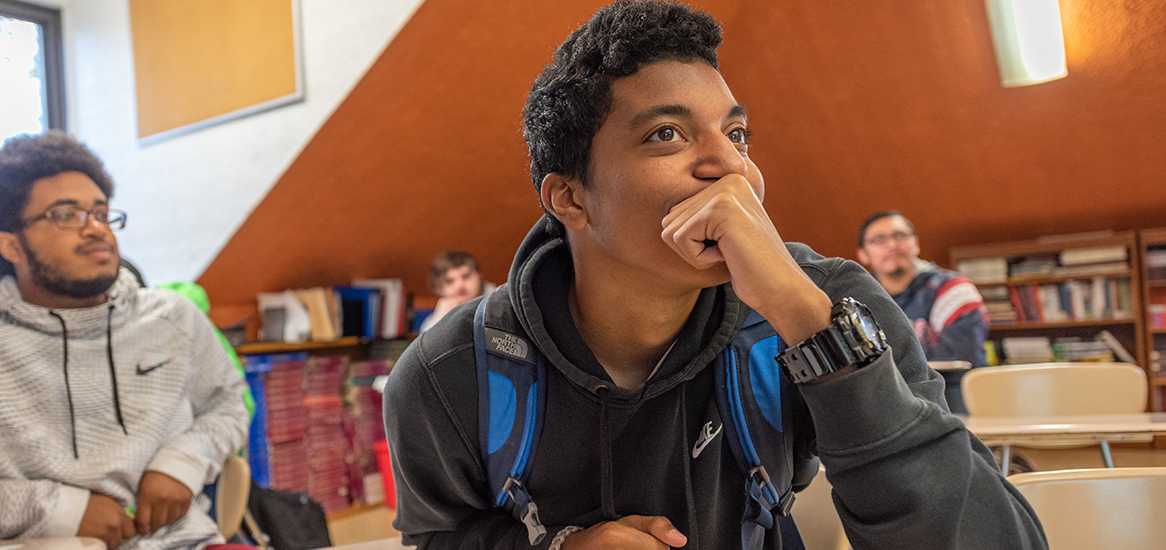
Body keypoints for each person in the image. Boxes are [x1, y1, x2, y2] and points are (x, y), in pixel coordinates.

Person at [382, 2, 1045, 549]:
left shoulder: (832, 305)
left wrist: (811, 326)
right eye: (666, 134)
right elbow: (441, 538)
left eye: (738, 133)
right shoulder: (448, 373)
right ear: (570, 199)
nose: (732, 167)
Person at [0, 132, 250, 550]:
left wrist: (183, 462)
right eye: (66, 214)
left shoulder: (173, 317)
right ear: (11, 245)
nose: (96, 228)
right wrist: (58, 511)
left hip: (184, 543)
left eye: (100, 212)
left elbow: (226, 405)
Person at [857, 211, 990, 413]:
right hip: (885, 405)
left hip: (954, 403)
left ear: (916, 243)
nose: (892, 244)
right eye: (879, 240)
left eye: (900, 236)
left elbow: (958, 358)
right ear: (863, 254)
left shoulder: (954, 289)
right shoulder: (855, 300)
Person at [418, 251, 495, 332]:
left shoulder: (503, 302)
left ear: (480, 277)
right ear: (438, 289)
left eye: (466, 276)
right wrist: (439, 322)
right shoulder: (432, 322)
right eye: (449, 281)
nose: (460, 285)